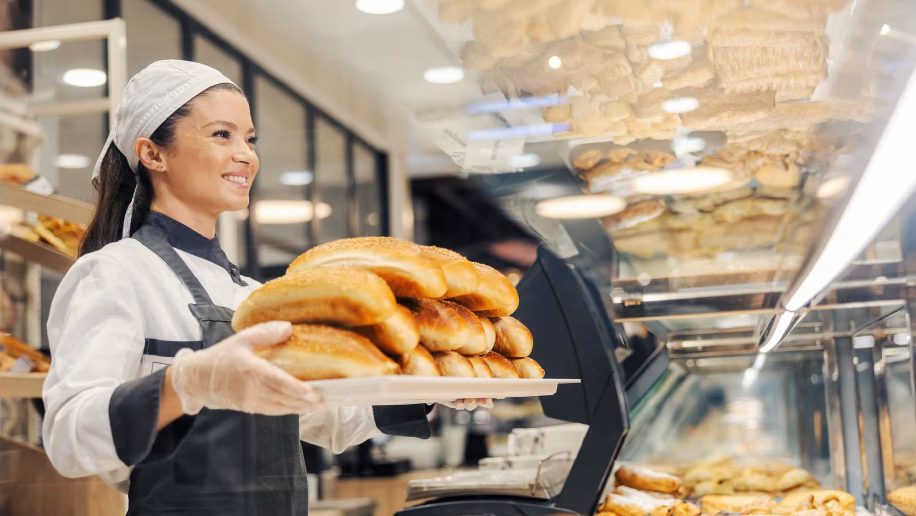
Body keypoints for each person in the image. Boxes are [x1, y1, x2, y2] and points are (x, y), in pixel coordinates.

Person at [41, 60, 489, 516]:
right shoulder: (115, 273)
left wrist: (430, 386)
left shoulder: (251, 295)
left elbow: (325, 415)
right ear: (153, 154)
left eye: (250, 139)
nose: (246, 155)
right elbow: (69, 438)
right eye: (222, 135)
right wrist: (188, 382)